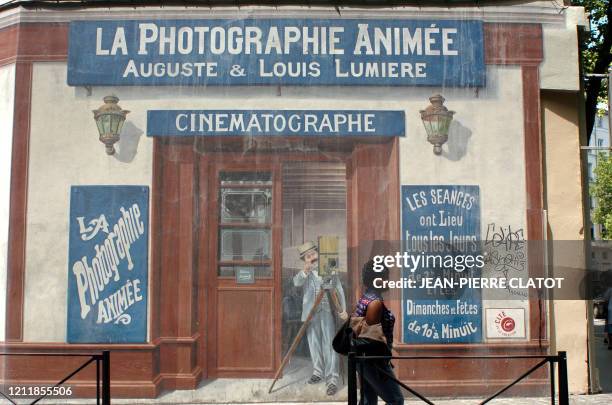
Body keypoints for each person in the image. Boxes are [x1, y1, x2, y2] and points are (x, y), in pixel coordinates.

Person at [293, 240, 347, 396]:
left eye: (313, 254)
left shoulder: (329, 265)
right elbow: (297, 283)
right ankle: (318, 372)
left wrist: (342, 310)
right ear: (305, 259)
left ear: (318, 253)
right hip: (311, 313)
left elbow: (338, 288)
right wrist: (306, 269)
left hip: (326, 311)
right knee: (314, 342)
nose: (311, 257)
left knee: (330, 343)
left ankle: (332, 379)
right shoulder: (305, 271)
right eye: (307, 256)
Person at [353, 259, 404, 405]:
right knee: (396, 400)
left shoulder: (367, 298)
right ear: (375, 280)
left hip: (366, 360)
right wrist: (382, 360)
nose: (387, 280)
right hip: (373, 361)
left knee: (368, 401)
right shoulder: (374, 303)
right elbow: (370, 338)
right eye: (384, 277)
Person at [604, 285, 612, 350]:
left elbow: (605, 299)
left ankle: (610, 343)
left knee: (609, 326)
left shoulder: (609, 290)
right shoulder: (610, 289)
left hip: (610, 310)